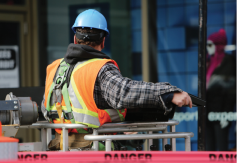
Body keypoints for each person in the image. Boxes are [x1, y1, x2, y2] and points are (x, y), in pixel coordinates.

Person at [41, 9, 192, 150]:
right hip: (93, 151)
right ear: (103, 41)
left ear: (75, 38)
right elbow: (124, 92)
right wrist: (168, 93)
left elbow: (46, 108)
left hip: (60, 149)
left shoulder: (54, 68)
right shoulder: (99, 68)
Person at [206, 29, 236, 151]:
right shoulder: (208, 62)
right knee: (208, 148)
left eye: (210, 45)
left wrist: (226, 114)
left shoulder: (229, 62)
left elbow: (231, 91)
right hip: (207, 111)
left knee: (222, 147)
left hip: (221, 111)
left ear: (218, 45)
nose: (208, 48)